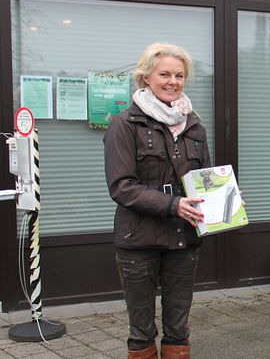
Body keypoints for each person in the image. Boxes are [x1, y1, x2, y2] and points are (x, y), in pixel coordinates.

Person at [104, 43, 210, 359]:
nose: (172, 81)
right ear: (146, 76)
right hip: (137, 240)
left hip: (183, 241)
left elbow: (202, 179)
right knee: (141, 331)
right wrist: (172, 205)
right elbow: (121, 187)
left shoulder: (195, 127)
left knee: (179, 329)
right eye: (164, 73)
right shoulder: (124, 124)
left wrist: (224, 198)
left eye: (179, 75)